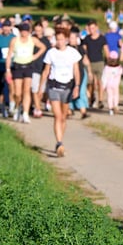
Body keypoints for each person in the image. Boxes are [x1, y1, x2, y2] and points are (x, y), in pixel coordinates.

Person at [40, 25, 82, 157]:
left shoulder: (73, 53)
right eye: (57, 39)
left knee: (64, 117)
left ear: (67, 40)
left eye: (62, 39)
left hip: (68, 87)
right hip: (54, 86)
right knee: (57, 116)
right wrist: (42, 88)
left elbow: (76, 71)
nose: (60, 42)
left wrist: (77, 86)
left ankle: (60, 140)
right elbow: (46, 71)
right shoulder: (51, 53)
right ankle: (59, 142)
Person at [5, 22, 47, 123]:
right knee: (17, 93)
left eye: (26, 31)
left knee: (27, 91)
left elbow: (43, 47)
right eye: (22, 31)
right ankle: (17, 106)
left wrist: (35, 56)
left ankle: (25, 113)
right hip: (17, 66)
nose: (24, 33)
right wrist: (8, 70)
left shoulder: (32, 40)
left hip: (28, 66)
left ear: (29, 32)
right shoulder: (15, 40)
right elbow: (9, 55)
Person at [82, 20, 108, 109]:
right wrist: (85, 59)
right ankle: (91, 98)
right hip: (90, 63)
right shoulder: (86, 39)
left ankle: (100, 100)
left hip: (99, 62)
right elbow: (84, 51)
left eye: (93, 28)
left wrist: (109, 61)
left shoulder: (102, 38)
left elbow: (106, 50)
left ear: (96, 28)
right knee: (90, 82)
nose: (91, 30)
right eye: (90, 28)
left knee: (100, 82)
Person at [102, 51, 123, 116]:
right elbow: (122, 73)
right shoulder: (119, 68)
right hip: (116, 84)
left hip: (109, 84)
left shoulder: (107, 68)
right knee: (116, 95)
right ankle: (116, 105)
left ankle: (110, 108)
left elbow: (104, 77)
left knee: (110, 96)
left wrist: (103, 86)